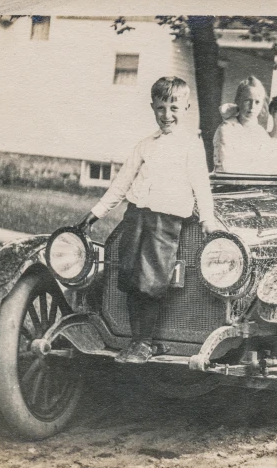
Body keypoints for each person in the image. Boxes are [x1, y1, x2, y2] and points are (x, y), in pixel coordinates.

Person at [76, 77, 222, 364]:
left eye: (174, 108)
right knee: (130, 277)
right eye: (161, 108)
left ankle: (145, 342)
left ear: (187, 108)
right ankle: (134, 340)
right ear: (153, 108)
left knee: (152, 281)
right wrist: (97, 212)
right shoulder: (145, 145)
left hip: (166, 222)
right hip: (137, 216)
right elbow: (121, 182)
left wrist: (208, 220)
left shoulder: (191, 145)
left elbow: (201, 186)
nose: (167, 115)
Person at [213, 76, 270, 173]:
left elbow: (266, 167)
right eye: (248, 100)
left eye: (257, 102)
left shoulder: (262, 134)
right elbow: (226, 167)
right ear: (238, 101)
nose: (252, 107)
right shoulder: (227, 129)